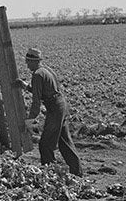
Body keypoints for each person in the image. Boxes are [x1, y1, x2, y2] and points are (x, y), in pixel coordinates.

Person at [15, 47, 83, 176]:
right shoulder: (46, 70)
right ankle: (77, 172)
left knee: (45, 144)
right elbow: (43, 90)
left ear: (34, 61)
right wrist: (24, 85)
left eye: (28, 61)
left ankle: (50, 174)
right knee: (64, 142)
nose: (27, 64)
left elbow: (36, 101)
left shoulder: (37, 75)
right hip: (62, 106)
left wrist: (30, 121)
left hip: (55, 109)